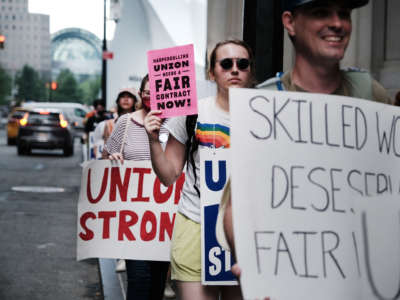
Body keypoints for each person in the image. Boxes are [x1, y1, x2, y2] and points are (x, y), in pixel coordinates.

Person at [217, 0, 393, 279]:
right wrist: (253, 262)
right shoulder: (264, 107)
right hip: (288, 276)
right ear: (289, 23)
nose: (337, 23)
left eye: (344, 13)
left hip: (358, 278)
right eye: (321, 12)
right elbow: (237, 206)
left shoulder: (370, 94)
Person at [144, 40, 256, 300]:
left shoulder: (265, 116)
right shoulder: (193, 115)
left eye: (243, 63)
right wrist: (152, 141)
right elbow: (169, 174)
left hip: (244, 233)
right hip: (195, 226)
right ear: (211, 72)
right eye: (226, 64)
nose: (235, 69)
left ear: (251, 70)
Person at [102, 75, 170, 300]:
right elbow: (104, 159)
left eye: (158, 92)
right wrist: (113, 157)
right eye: (148, 92)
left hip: (164, 220)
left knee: (157, 285)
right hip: (134, 221)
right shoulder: (126, 122)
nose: (152, 97)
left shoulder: (176, 125)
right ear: (141, 94)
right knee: (139, 280)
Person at [92, 88, 137, 159]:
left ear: (135, 101)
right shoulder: (109, 124)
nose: (126, 99)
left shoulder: (140, 123)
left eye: (129, 96)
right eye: (122, 96)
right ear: (118, 101)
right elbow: (106, 150)